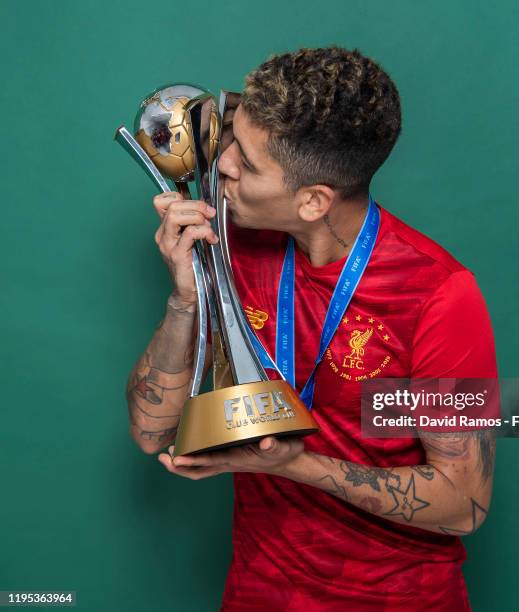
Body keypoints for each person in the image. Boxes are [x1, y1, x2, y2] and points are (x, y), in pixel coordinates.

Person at [126, 46, 498, 611]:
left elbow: (464, 503)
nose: (222, 164)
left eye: (246, 164)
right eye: (231, 141)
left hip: (398, 599)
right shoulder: (233, 245)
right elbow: (152, 433)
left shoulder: (436, 295)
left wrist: (293, 464)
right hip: (257, 589)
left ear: (314, 200)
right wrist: (185, 298)